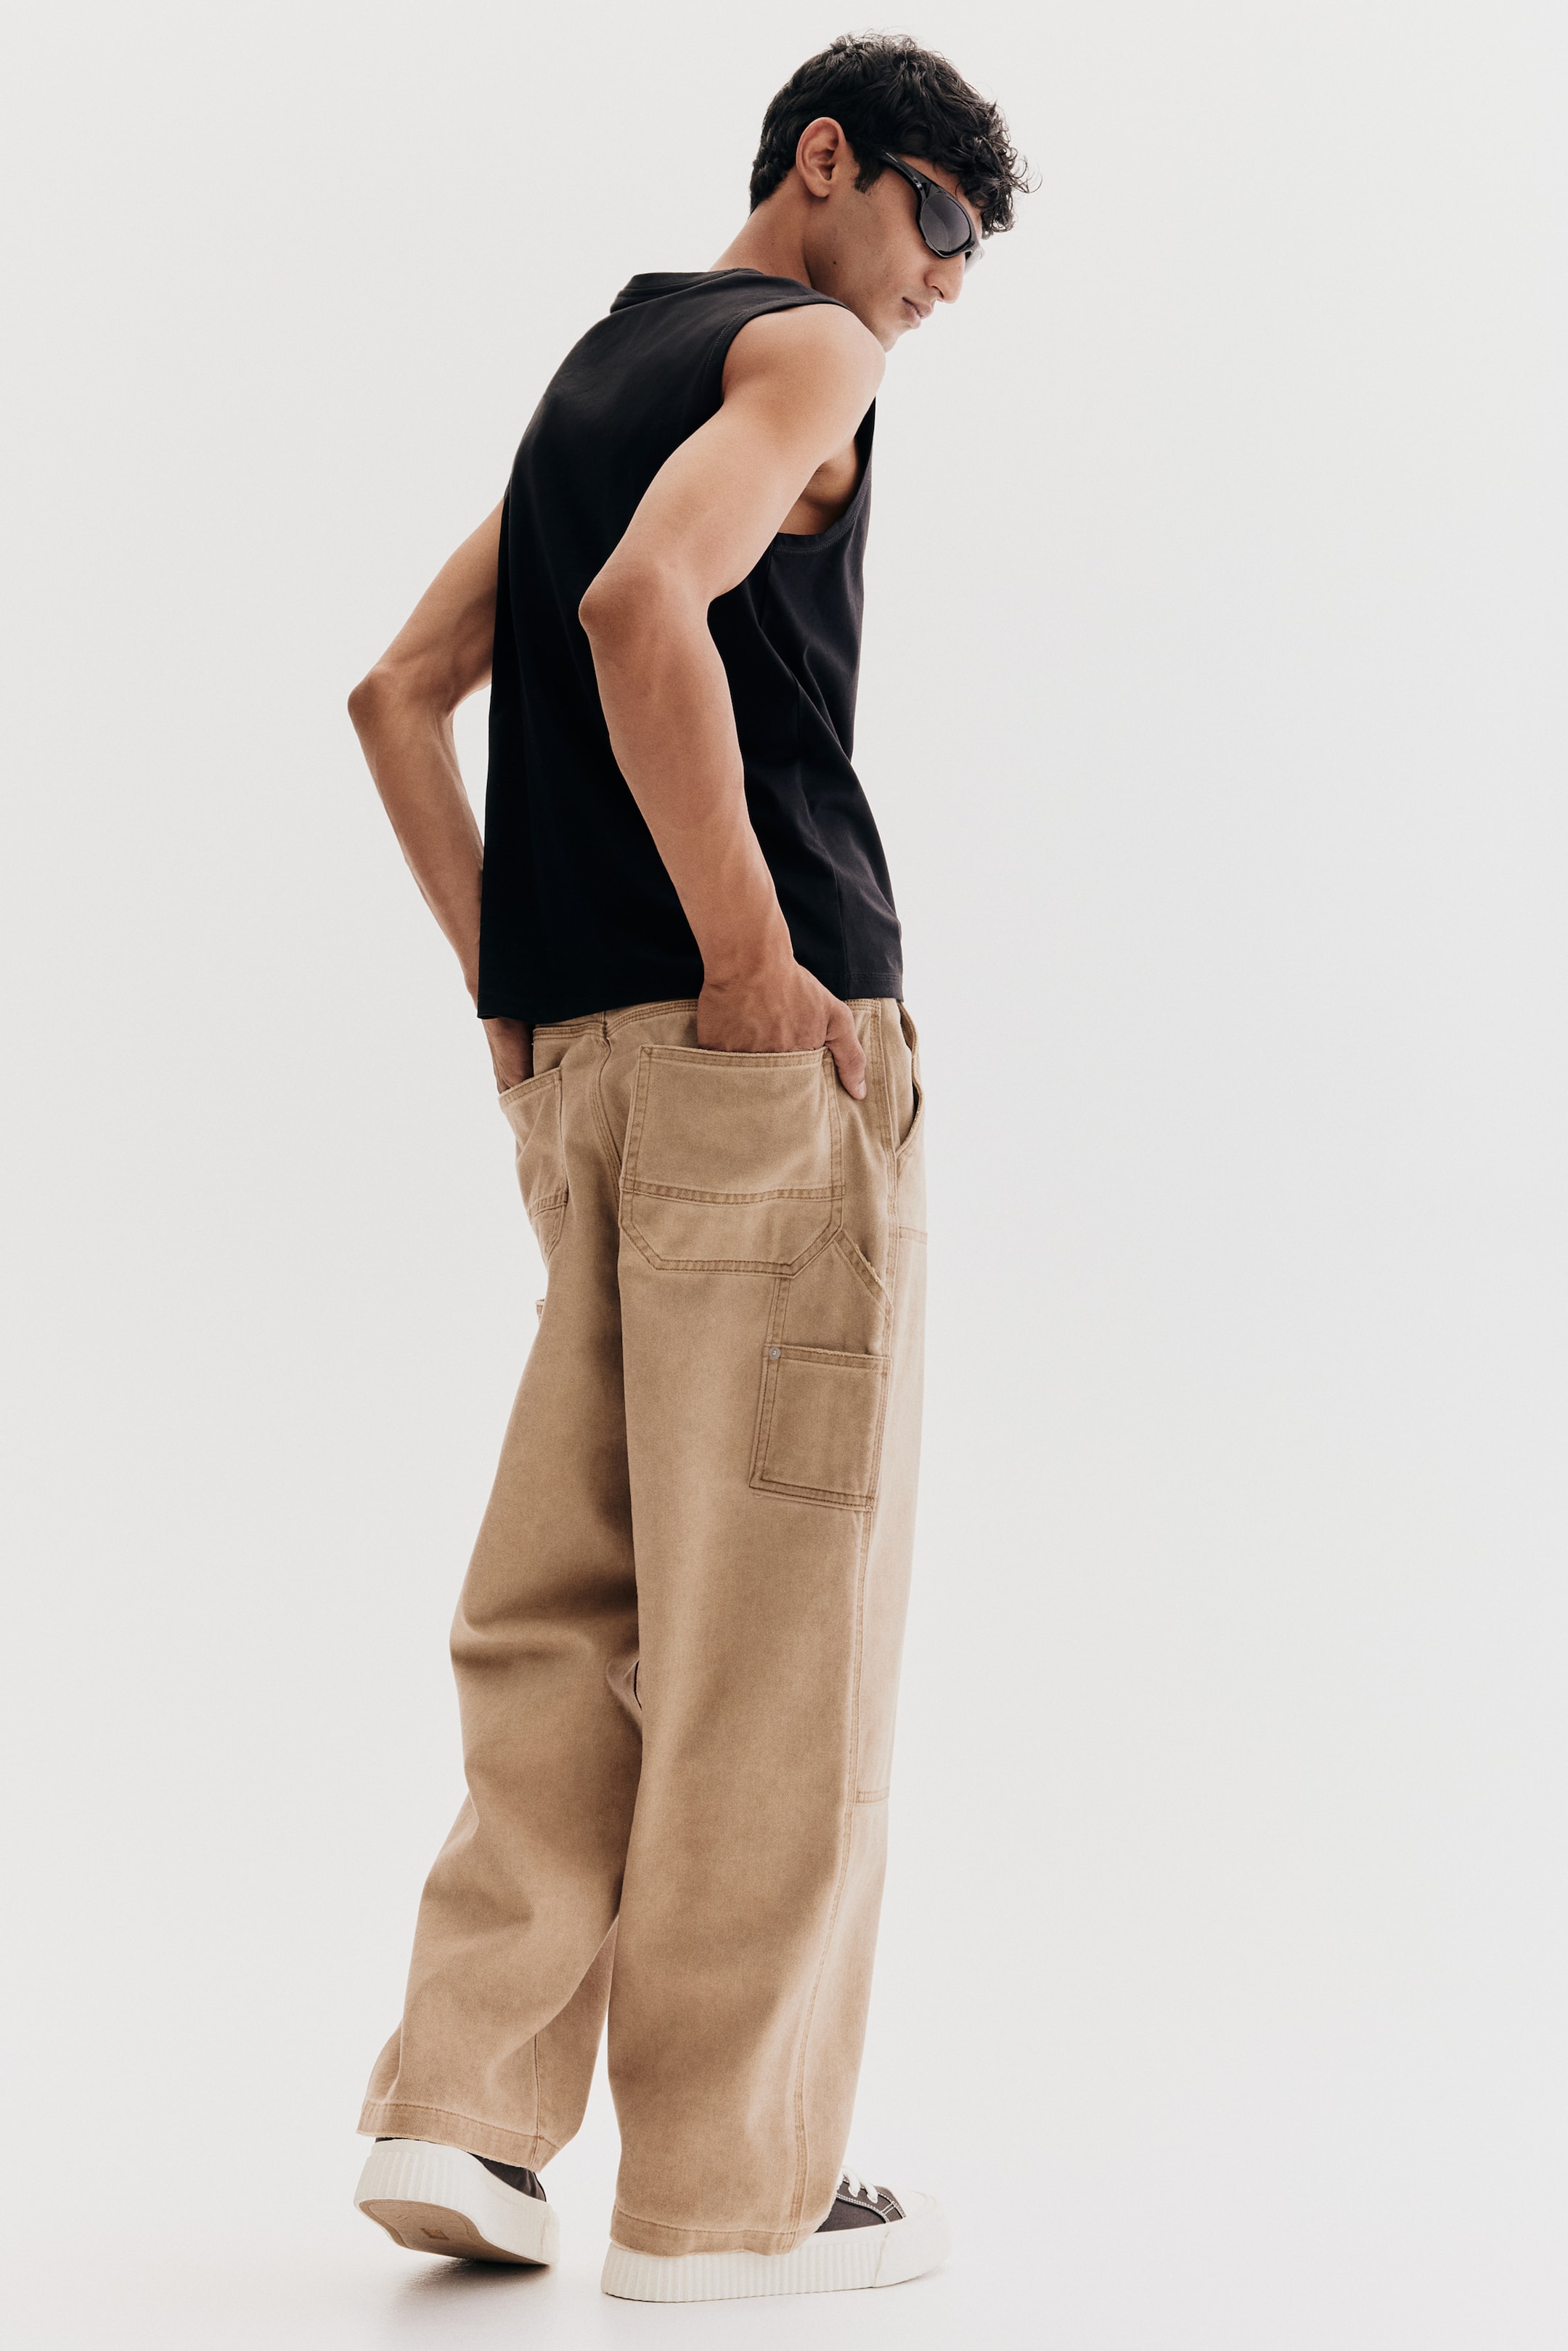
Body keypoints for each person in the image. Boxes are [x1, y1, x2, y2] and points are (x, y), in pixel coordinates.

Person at [344, 30, 1027, 2305]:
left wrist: (510, 988)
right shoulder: (809, 350)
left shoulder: (593, 376)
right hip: (761, 1072)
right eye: (939, 219)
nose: (944, 282)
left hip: (596, 1087)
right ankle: (730, 2204)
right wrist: (750, 950)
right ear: (827, 162)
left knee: (571, 1605)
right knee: (777, 1637)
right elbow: (650, 611)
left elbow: (400, 694)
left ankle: (461, 2104)